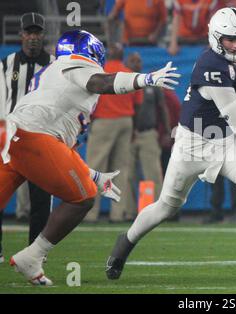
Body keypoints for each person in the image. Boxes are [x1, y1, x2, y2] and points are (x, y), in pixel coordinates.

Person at [105, 7, 236, 280]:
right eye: (230, 39)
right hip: (193, 143)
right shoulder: (212, 66)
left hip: (226, 142)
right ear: (215, 38)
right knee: (166, 207)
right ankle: (123, 245)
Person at [0, 30, 179, 286]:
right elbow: (101, 83)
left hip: (17, 136)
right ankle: (33, 255)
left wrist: (93, 174)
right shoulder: (75, 65)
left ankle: (32, 256)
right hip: (33, 137)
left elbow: (59, 149)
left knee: (84, 187)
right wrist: (145, 78)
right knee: (83, 197)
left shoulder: (54, 71)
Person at [0, 12, 54, 264]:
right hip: (10, 140)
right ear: (21, 34)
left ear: (43, 35)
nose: (33, 38)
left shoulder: (55, 65)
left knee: (41, 202)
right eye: (29, 32)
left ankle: (34, 255)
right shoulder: (6, 64)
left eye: (37, 33)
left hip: (40, 140)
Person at [84, 43, 143, 223]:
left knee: (95, 168)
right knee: (121, 169)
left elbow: (89, 100)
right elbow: (138, 104)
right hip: (126, 121)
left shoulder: (99, 71)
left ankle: (90, 214)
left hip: (104, 121)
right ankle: (118, 213)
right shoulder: (129, 73)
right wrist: (134, 127)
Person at [123, 52, 171, 220]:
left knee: (153, 175)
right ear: (126, 63)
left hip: (148, 133)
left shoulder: (151, 83)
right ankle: (128, 212)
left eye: (139, 60)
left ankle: (157, 212)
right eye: (132, 61)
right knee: (127, 175)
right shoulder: (122, 84)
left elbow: (162, 107)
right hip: (128, 135)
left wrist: (166, 131)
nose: (136, 63)